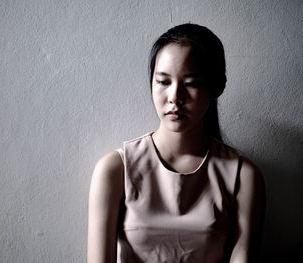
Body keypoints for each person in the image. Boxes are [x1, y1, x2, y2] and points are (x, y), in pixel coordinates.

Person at [87, 23, 265, 263]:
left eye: (190, 83)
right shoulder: (115, 169)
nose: (174, 98)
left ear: (217, 86)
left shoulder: (243, 176)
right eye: (163, 82)